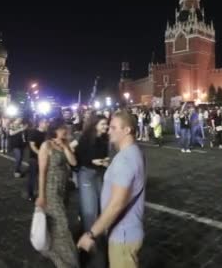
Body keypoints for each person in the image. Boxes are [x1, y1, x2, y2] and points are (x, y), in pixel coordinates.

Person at [77, 110, 146, 268]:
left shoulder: (125, 159)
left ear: (127, 130)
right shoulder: (135, 151)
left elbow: (116, 204)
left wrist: (91, 234)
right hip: (128, 231)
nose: (109, 130)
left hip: (123, 235)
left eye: (114, 127)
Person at [36, 119, 78, 268]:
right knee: (62, 224)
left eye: (65, 128)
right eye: (62, 129)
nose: (65, 131)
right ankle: (69, 262)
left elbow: (73, 162)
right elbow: (42, 173)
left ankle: (52, 251)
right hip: (51, 190)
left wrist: (66, 146)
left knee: (55, 225)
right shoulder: (46, 145)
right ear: (54, 130)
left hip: (64, 190)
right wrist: (41, 196)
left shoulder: (64, 145)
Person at [75, 115, 110, 268]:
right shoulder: (83, 138)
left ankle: (100, 247)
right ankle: (93, 256)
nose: (106, 127)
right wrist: (91, 161)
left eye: (106, 124)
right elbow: (77, 157)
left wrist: (105, 161)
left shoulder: (104, 139)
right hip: (86, 175)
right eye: (103, 124)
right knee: (90, 213)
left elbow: (102, 157)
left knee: (103, 211)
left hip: (99, 175)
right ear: (95, 124)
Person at [27, 118, 48, 202]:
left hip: (45, 158)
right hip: (34, 158)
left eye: (47, 123)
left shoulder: (47, 134)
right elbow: (32, 145)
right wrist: (40, 153)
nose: (47, 124)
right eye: (45, 122)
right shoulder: (34, 132)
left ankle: (43, 193)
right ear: (40, 123)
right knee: (32, 177)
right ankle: (30, 194)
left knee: (44, 176)